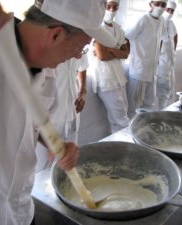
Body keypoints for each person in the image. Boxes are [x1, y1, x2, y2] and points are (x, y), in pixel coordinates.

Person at [0, 0, 118, 224]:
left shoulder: (47, 72)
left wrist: (53, 144)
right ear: (55, 35)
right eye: (81, 47)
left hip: (20, 211)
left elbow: (29, 124)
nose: (79, 56)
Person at [35, 55, 88, 172]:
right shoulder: (44, 60)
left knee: (69, 164)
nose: (79, 54)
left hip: (72, 112)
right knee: (44, 168)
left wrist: (83, 90)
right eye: (79, 47)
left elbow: (83, 66)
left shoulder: (79, 47)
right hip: (50, 121)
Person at [89, 0, 130, 133]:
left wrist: (111, 50)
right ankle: (125, 148)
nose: (112, 10)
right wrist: (118, 50)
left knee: (119, 117)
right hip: (106, 79)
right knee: (121, 120)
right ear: (102, 7)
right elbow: (102, 56)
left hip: (119, 77)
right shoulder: (96, 27)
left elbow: (126, 53)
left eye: (115, 7)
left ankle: (118, 147)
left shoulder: (118, 28)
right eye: (108, 6)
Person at [125, 0, 166, 116]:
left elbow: (161, 40)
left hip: (152, 70)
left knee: (149, 104)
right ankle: (130, 131)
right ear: (150, 4)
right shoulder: (143, 19)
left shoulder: (162, 21)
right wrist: (127, 54)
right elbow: (127, 36)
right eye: (157, 4)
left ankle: (145, 130)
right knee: (134, 106)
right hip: (139, 70)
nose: (160, 7)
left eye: (163, 5)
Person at [156, 0, 178, 109]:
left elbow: (175, 35)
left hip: (170, 60)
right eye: (168, 9)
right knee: (162, 90)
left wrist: (174, 49)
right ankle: (161, 110)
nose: (169, 12)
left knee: (169, 88)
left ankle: (168, 109)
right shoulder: (158, 22)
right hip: (161, 62)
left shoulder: (171, 23)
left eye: (172, 11)